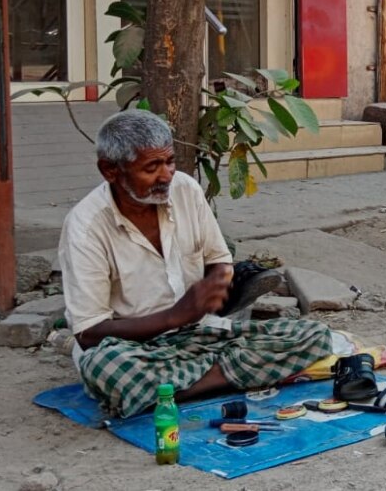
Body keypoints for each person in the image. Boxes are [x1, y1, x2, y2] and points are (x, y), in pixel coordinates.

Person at [58, 109, 332, 418]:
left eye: (170, 161)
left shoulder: (185, 189)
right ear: (110, 170)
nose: (166, 175)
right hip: (136, 348)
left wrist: (219, 282)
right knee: (109, 371)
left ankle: (172, 390)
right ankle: (228, 376)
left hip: (201, 335)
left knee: (314, 334)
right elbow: (89, 333)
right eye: (152, 167)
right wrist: (176, 316)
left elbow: (219, 260)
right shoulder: (85, 226)